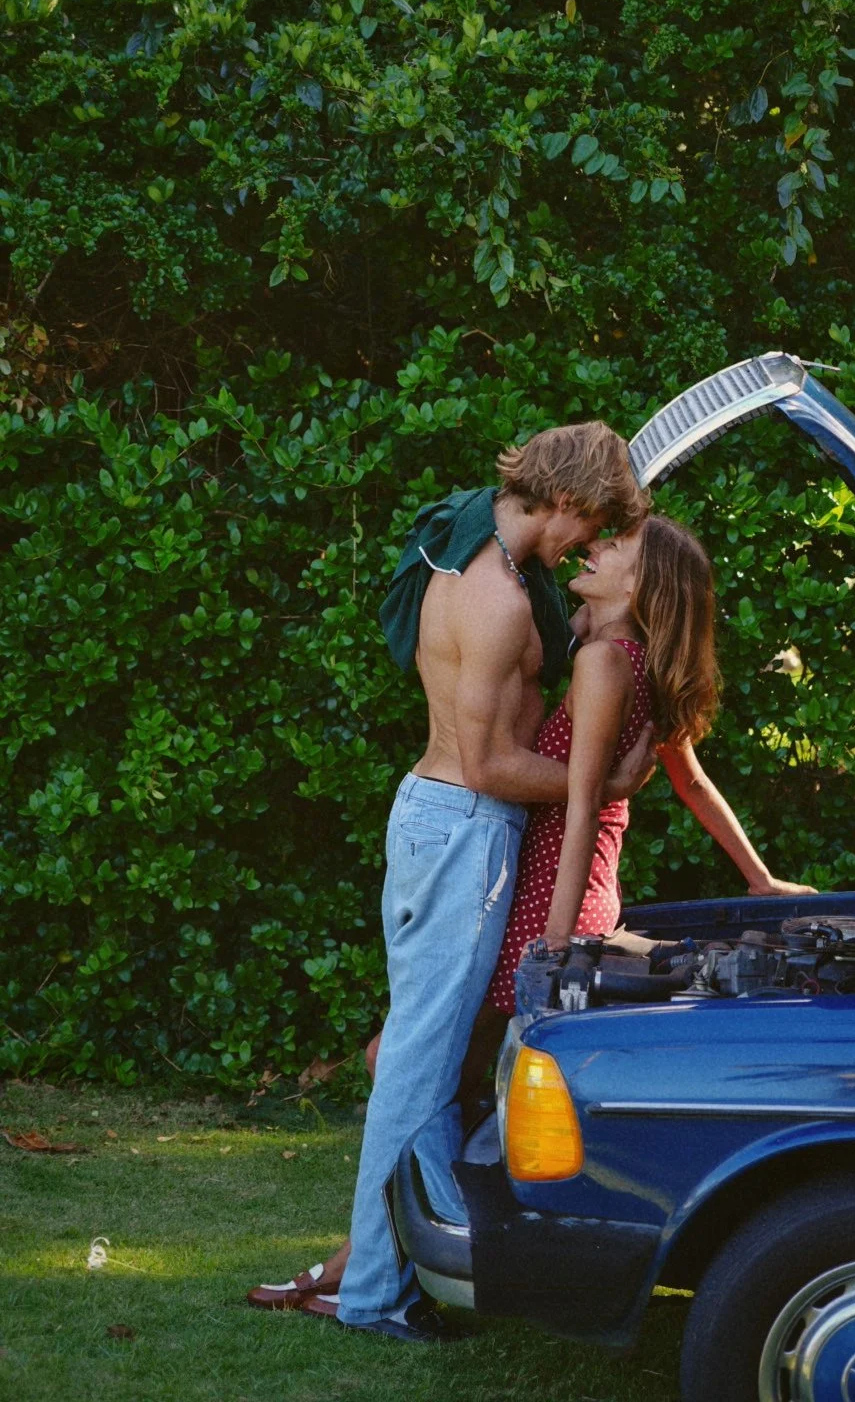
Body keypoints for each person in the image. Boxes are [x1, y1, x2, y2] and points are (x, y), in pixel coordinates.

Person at [248, 514, 814, 1318]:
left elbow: (582, 804)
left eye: (613, 549)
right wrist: (757, 878)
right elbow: (687, 782)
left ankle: (411, 1254)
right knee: (442, 1075)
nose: (594, 549)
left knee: (402, 1063)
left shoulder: (603, 664)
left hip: (553, 892)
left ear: (642, 585)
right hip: (566, 887)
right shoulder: (629, 656)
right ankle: (367, 1257)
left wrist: (553, 940)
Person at [248, 421, 652, 1341]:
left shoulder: (476, 544)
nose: (584, 547)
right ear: (562, 500)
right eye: (585, 528)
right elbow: (486, 764)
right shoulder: (498, 600)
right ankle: (371, 1296)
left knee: (421, 1062)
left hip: (452, 827)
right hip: (464, 824)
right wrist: (604, 783)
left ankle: (386, 1274)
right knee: (418, 1069)